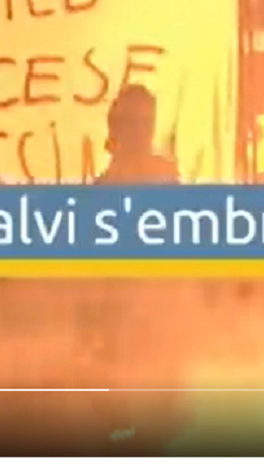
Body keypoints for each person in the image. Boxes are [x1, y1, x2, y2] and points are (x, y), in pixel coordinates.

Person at [94, 85, 184, 449]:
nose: (142, 132)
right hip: (126, 308)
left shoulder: (162, 177)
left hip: (155, 306)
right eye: (134, 124)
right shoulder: (107, 187)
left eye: (145, 123)